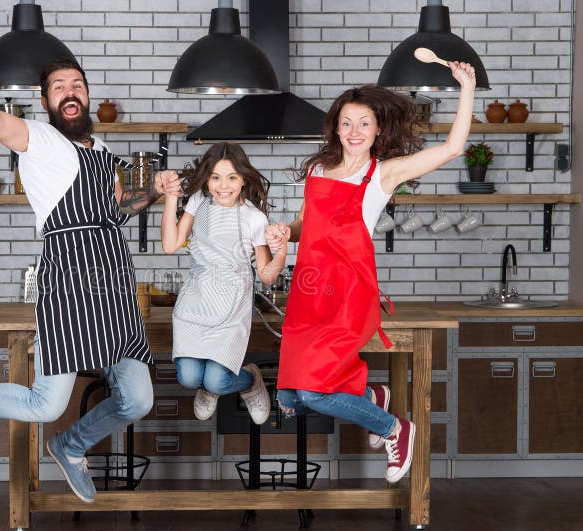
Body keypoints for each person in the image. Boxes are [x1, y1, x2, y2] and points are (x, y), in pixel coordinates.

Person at [0, 49, 178, 503]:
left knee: (138, 399)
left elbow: (115, 212)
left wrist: (153, 190)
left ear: (87, 94)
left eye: (76, 85)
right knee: (46, 403)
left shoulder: (103, 150)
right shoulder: (37, 138)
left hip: (113, 281)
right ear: (45, 98)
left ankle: (70, 446)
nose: (69, 93)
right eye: (59, 87)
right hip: (70, 280)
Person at [266, 62, 477, 483]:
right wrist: (282, 232)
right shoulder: (316, 171)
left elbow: (452, 149)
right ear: (336, 128)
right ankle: (368, 395)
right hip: (310, 291)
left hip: (346, 295)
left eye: (365, 123)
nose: (355, 131)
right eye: (347, 123)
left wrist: (466, 88)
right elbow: (304, 224)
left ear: (378, 129)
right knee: (288, 398)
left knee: (311, 391)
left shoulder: (382, 173)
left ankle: (394, 428)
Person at [161, 143, 287, 425]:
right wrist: (171, 197)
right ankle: (209, 387)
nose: (223, 186)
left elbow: (267, 275)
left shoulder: (254, 218)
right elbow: (170, 244)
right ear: (207, 179)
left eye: (232, 178)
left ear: (243, 179)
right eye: (216, 177)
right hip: (196, 301)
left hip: (230, 308)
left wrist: (281, 252)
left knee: (217, 381)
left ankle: (250, 381)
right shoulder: (197, 201)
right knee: (189, 377)